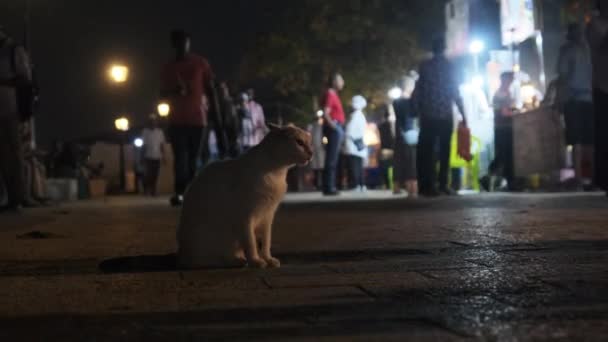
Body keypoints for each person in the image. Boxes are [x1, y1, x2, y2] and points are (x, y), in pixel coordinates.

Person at [160, 29, 220, 206]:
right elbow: (161, 93)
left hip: (197, 119)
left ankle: (194, 192)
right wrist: (173, 91)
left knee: (194, 158)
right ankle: (179, 192)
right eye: (178, 42)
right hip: (176, 120)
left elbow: (211, 89)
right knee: (180, 158)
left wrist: (216, 115)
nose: (182, 46)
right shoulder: (168, 67)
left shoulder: (201, 63)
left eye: (185, 42)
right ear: (174, 45)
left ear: (189, 43)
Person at [413, 37, 467, 197]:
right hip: (444, 114)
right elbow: (455, 91)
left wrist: (416, 108)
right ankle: (443, 184)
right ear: (444, 48)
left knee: (426, 152)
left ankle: (426, 185)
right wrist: (463, 113)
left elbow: (419, 89)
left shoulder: (424, 66)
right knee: (444, 151)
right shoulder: (449, 66)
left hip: (428, 114)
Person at [558, 23, 595, 189]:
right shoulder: (590, 49)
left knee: (576, 141)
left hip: (573, 99)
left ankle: (579, 179)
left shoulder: (567, 50)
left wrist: (558, 100)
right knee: (589, 141)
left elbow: (563, 77)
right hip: (590, 98)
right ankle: (594, 178)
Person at [0, 26, 31, 212]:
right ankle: (8, 198)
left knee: (13, 155)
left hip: (10, 109)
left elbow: (25, 79)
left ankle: (17, 199)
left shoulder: (14, 50)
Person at [587, 2, 608, 195]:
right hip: (603, 86)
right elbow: (600, 46)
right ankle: (603, 179)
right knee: (603, 135)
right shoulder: (596, 25)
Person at [393, 74, 419, 198]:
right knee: (411, 162)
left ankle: (397, 187)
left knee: (400, 161)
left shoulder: (396, 102)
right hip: (410, 134)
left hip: (400, 134)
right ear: (409, 87)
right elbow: (413, 115)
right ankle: (412, 188)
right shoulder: (408, 102)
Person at [321, 73, 346, 196]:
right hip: (334, 128)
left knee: (333, 158)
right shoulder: (330, 94)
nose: (343, 82)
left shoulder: (333, 94)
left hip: (337, 127)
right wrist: (335, 127)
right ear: (334, 81)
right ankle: (329, 187)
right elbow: (326, 113)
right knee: (331, 159)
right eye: (341, 80)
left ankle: (330, 186)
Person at [491, 72, 517, 190]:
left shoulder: (506, 93)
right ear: (504, 80)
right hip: (503, 128)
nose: (510, 82)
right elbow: (504, 113)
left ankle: (508, 180)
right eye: (509, 80)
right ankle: (506, 180)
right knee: (504, 154)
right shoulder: (501, 94)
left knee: (505, 154)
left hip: (504, 127)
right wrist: (515, 113)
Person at [343, 95, 368, 192]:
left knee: (353, 165)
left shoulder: (355, 115)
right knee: (359, 165)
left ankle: (355, 184)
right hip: (359, 144)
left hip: (353, 144)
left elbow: (349, 131)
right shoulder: (361, 115)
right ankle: (361, 184)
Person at [141, 114, 166, 196]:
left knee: (155, 174)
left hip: (157, 156)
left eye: (154, 121)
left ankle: (153, 190)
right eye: (151, 121)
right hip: (148, 156)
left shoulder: (160, 132)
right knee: (148, 174)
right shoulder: (145, 132)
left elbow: (162, 145)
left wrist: (164, 156)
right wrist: (142, 156)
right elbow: (144, 145)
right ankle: (147, 188)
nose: (153, 123)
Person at [219, 82, 241, 158]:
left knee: (233, 150)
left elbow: (234, 118)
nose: (223, 91)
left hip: (230, 129)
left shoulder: (230, 101)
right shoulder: (218, 102)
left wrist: (236, 133)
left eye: (224, 89)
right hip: (223, 130)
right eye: (221, 89)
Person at [378, 109, 396, 189]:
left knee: (385, 168)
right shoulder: (393, 125)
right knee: (393, 167)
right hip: (393, 148)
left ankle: (386, 184)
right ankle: (393, 184)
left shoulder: (381, 126)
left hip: (384, 149)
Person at [308, 115, 325, 190]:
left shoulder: (320, 127)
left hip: (319, 149)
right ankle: (317, 184)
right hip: (315, 149)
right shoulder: (311, 127)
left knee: (319, 167)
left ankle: (319, 184)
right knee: (317, 167)